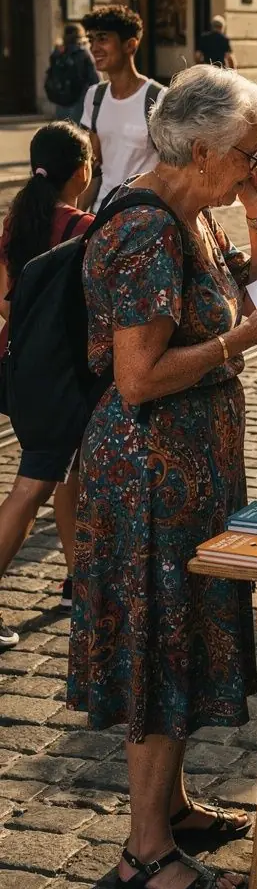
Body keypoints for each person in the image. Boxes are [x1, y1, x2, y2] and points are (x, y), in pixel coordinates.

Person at [67, 65, 257, 889]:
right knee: (159, 646)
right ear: (200, 148)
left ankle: (169, 807)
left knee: (181, 636)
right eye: (247, 154)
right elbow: (137, 378)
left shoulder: (193, 217)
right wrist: (237, 340)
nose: (255, 164)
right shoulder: (146, 233)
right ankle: (145, 850)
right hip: (147, 476)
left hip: (186, 467)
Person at [0, 123, 95, 646]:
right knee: (31, 487)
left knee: (66, 472)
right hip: (57, 380)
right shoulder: (84, 229)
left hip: (18, 371)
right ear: (81, 172)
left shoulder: (20, 222)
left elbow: (5, 303)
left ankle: (79, 582)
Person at [80, 5, 161, 210]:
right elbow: (94, 167)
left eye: (103, 39)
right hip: (102, 214)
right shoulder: (94, 97)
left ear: (130, 45)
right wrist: (78, 221)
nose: (94, 47)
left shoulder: (158, 98)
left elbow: (174, 169)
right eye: (92, 40)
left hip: (142, 217)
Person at [44, 23, 98, 124]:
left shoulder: (58, 53)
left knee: (62, 131)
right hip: (79, 99)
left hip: (61, 99)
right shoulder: (83, 53)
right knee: (77, 132)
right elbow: (94, 79)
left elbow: (51, 73)